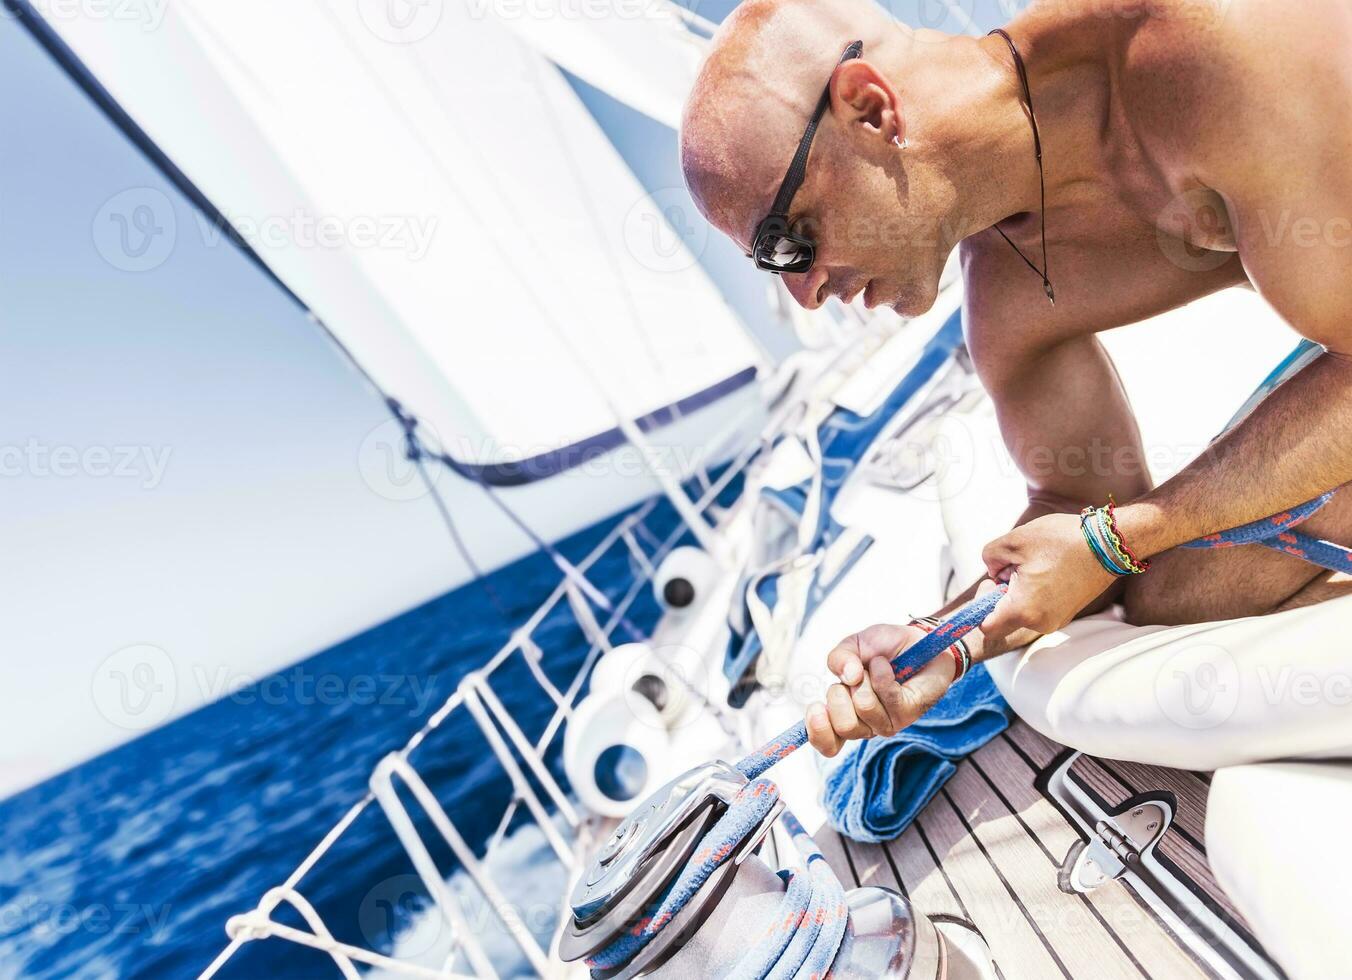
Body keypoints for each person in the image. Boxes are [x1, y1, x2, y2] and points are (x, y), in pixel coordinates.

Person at [679, 0, 1352, 754]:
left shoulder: (1199, 47)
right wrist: (943, 640)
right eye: (772, 267)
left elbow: (1107, 532)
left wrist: (1118, 536)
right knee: (1175, 593)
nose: (803, 292)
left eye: (787, 240)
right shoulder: (1006, 296)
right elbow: (1081, 507)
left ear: (869, 108)